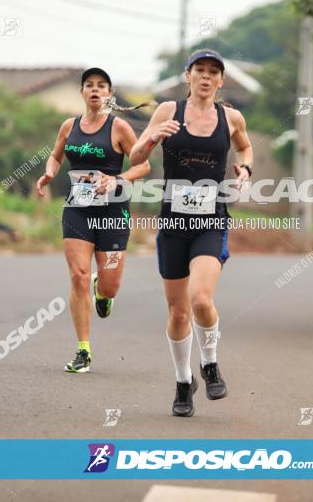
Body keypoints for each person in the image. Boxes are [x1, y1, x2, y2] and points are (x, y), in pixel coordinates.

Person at [130, 49, 253, 417]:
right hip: (173, 222)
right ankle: (184, 382)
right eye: (199, 70)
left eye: (212, 72)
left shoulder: (231, 117)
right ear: (187, 76)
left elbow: (245, 146)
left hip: (211, 219)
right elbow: (136, 158)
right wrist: (152, 137)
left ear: (221, 81)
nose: (205, 76)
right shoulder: (167, 111)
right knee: (178, 312)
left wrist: (244, 170)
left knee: (201, 299)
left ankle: (210, 363)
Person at [36, 68, 150, 373]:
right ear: (82, 92)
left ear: (110, 94)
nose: (95, 90)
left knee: (110, 285)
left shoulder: (120, 128)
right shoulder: (68, 126)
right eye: (90, 85)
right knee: (78, 277)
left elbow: (143, 167)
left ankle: (103, 292)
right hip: (78, 210)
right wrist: (49, 172)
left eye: (102, 86)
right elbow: (55, 156)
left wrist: (117, 179)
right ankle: (83, 350)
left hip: (113, 212)